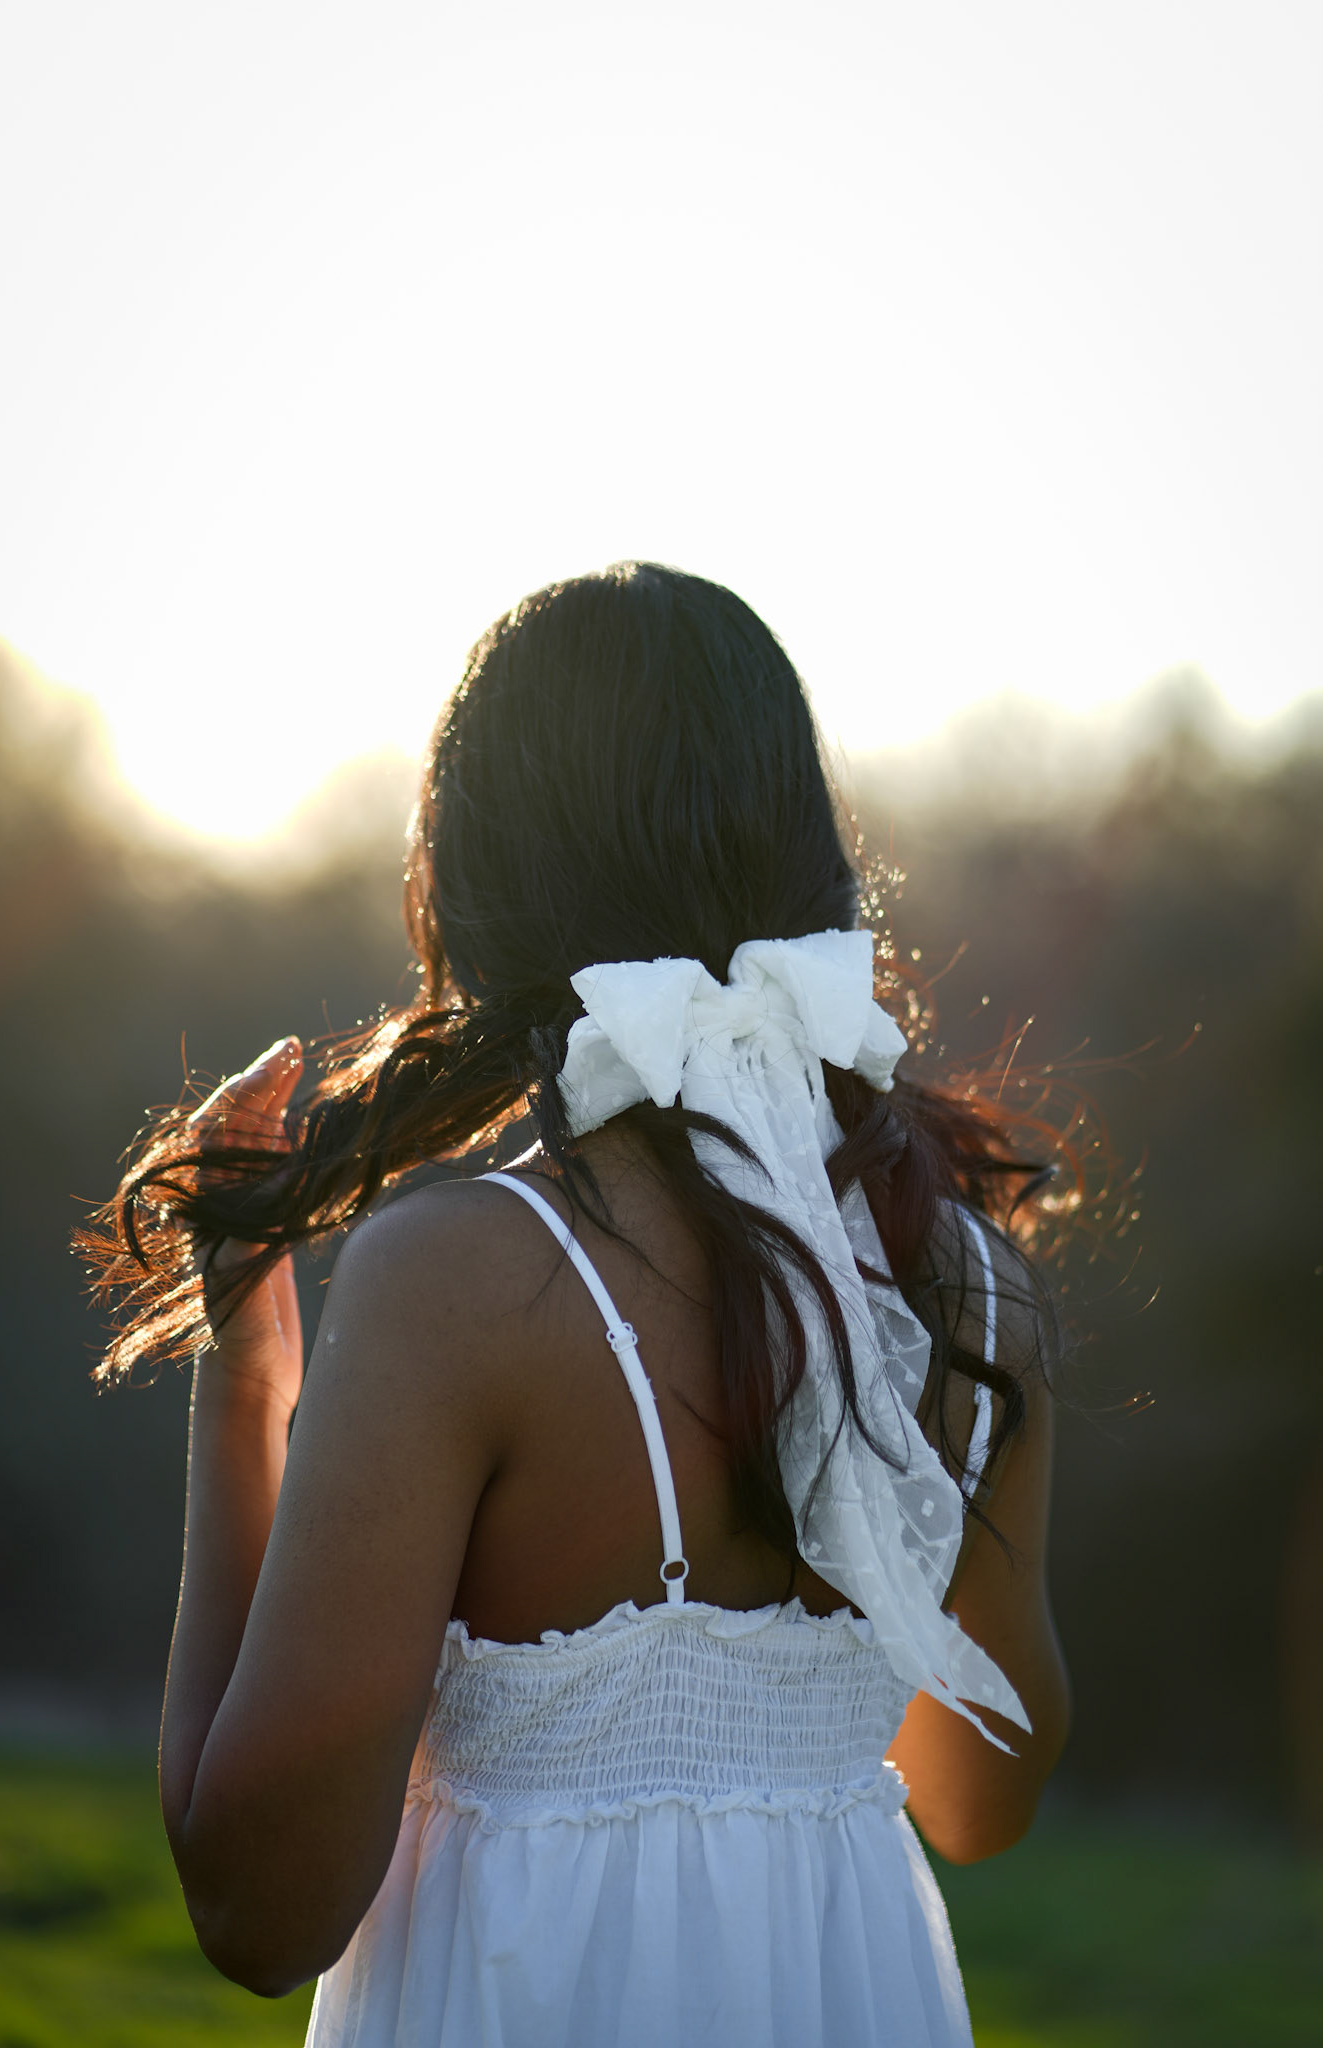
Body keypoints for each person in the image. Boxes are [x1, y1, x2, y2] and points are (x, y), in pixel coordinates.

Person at [83, 563, 1071, 2046]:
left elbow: (257, 1912)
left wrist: (247, 1388)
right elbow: (980, 1802)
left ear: (479, 881)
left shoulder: (461, 1280)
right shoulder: (970, 1289)